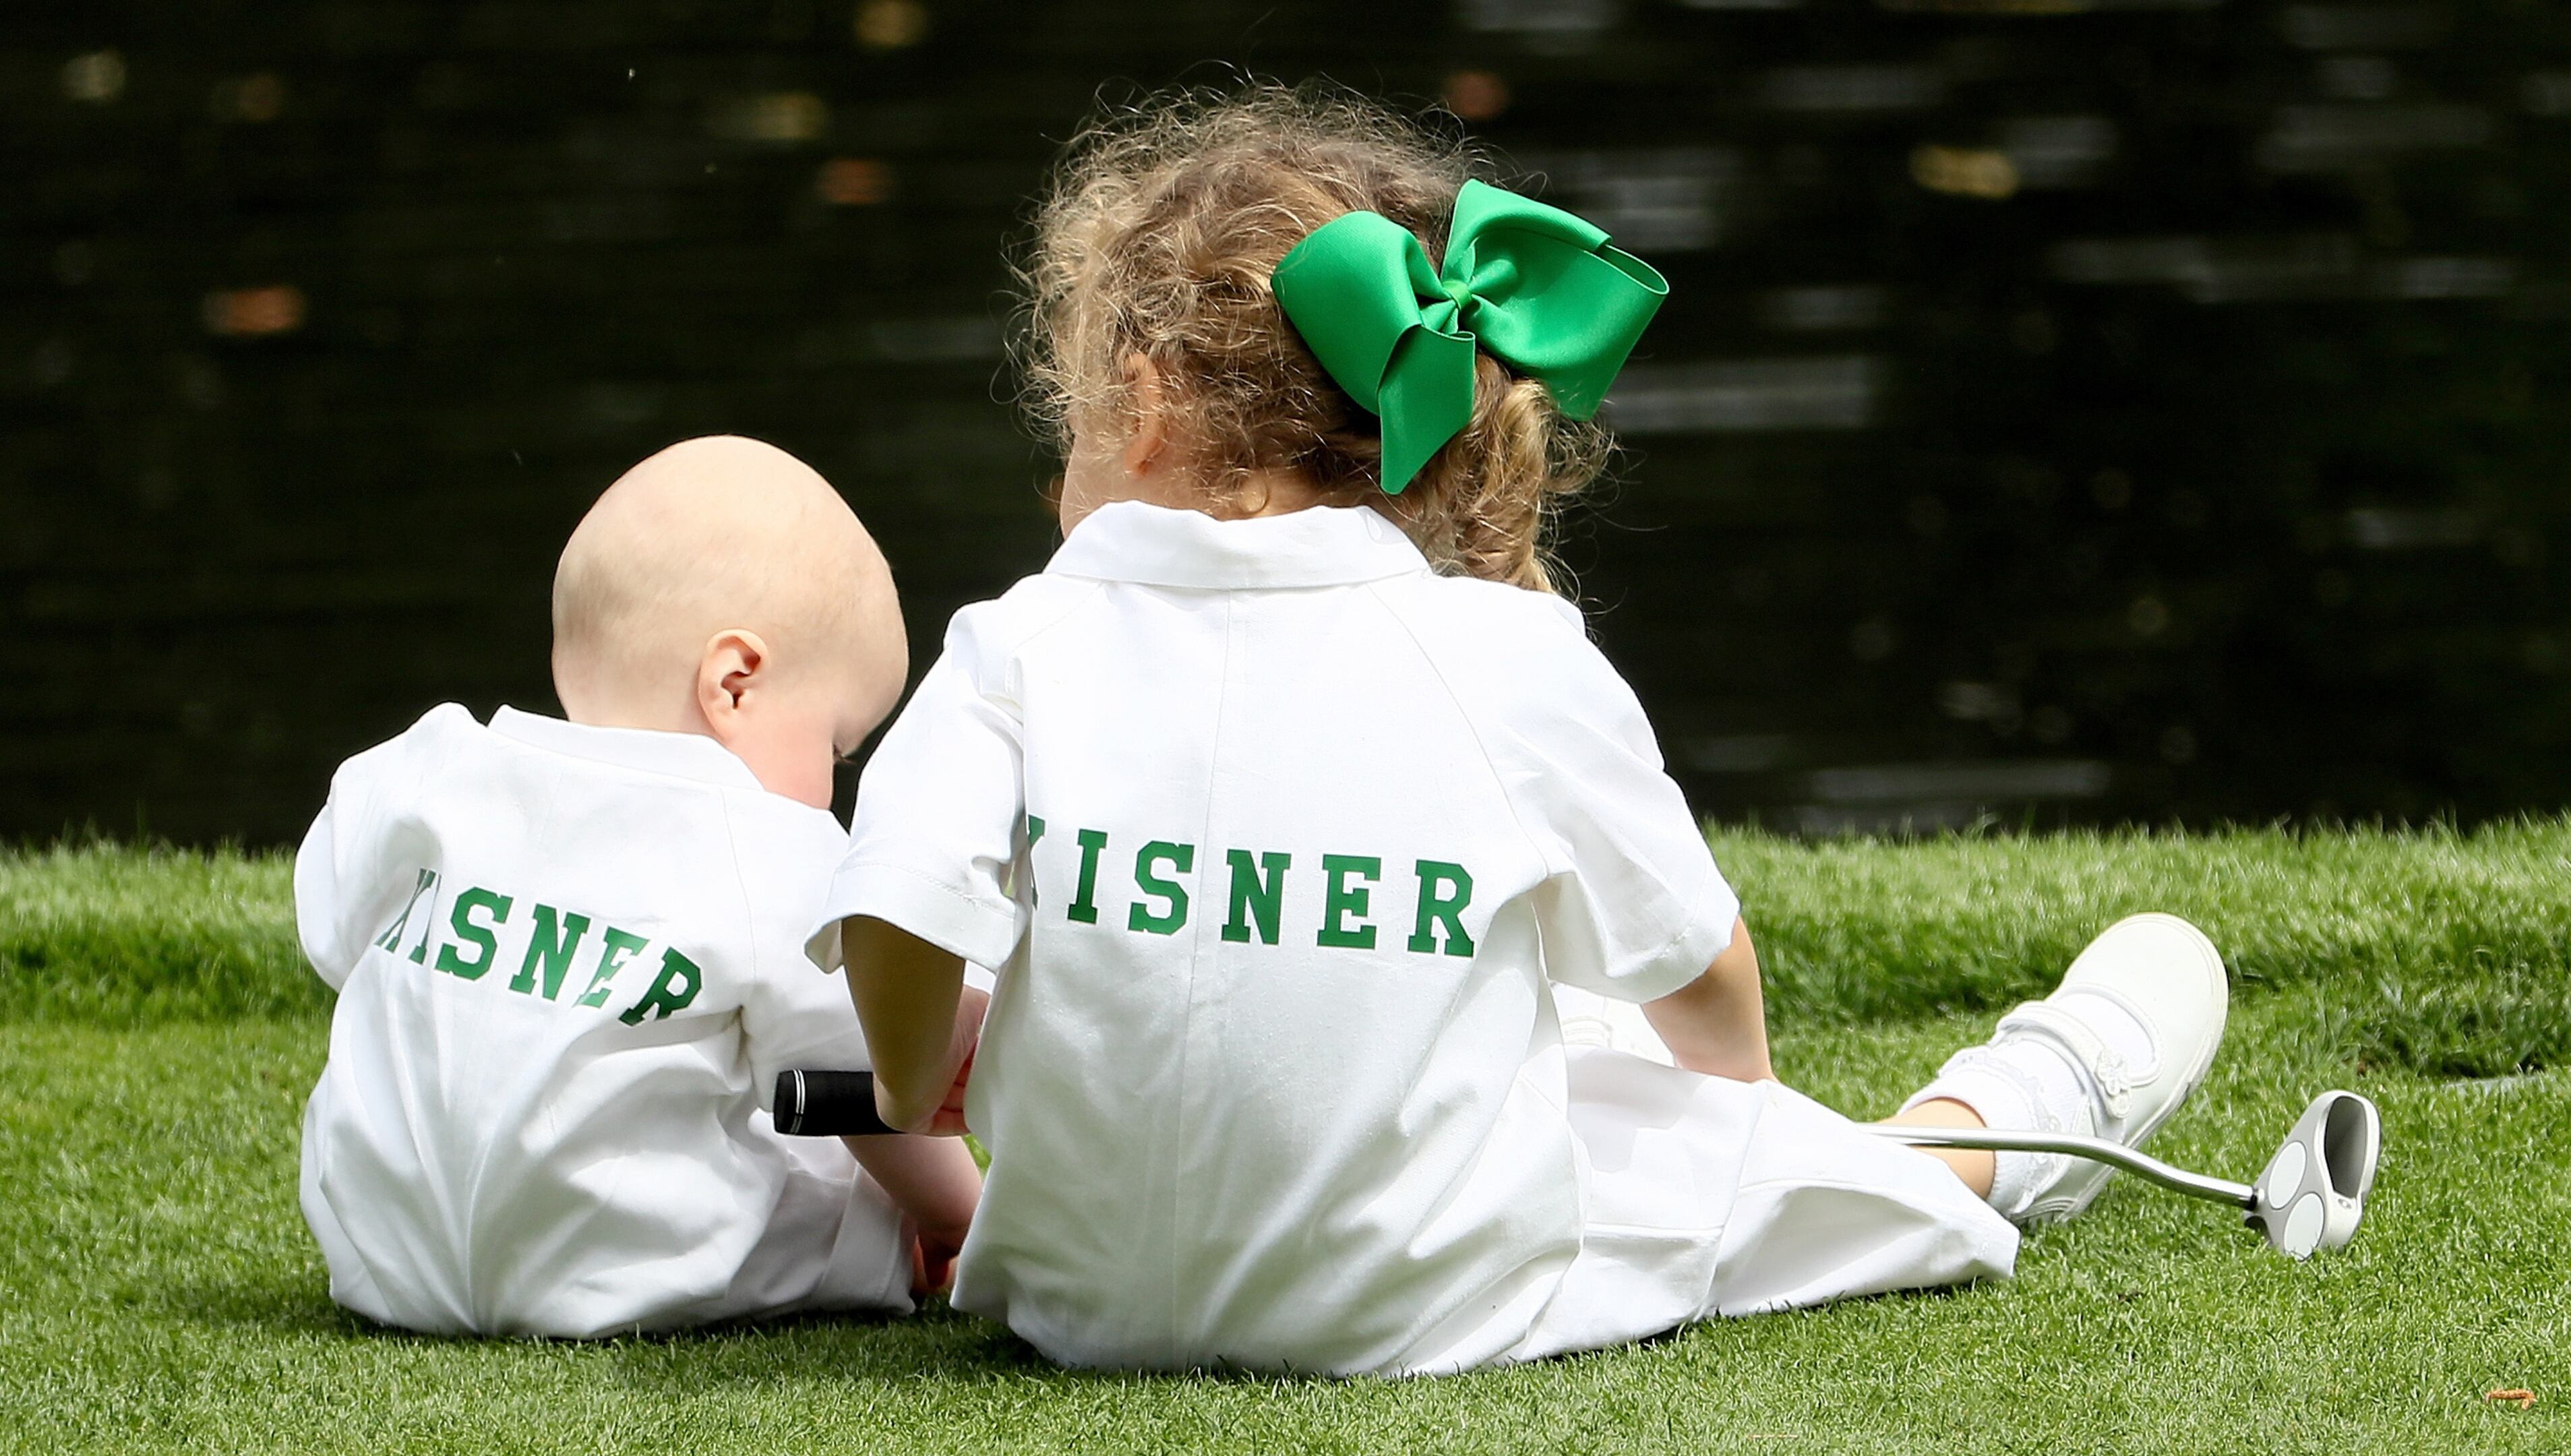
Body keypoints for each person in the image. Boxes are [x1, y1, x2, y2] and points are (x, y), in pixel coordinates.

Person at [811, 89, 2227, 1376]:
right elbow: (1706, 973)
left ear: (1147, 393)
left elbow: (897, 912)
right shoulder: (1500, 656)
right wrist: (1736, 1128)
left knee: (1514, 1027)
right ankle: (2027, 1109)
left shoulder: (1018, 643)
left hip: (1083, 1311)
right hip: (1423, 1304)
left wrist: (908, 1071)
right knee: (1736, 1157)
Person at [294, 435, 984, 1338]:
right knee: (846, 1188)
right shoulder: (764, 841)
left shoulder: (425, 768)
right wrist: (958, 1215)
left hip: (384, 1255)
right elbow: (862, 1083)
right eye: (836, 747)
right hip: (620, 1271)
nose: (831, 787)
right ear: (734, 685)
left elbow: (339, 943)